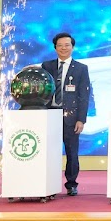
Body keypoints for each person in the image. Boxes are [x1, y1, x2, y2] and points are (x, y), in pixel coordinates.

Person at [42, 32, 91, 196]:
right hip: (50, 115)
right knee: (49, 151)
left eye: (67, 45)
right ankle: (49, 184)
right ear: (55, 47)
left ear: (72, 47)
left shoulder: (81, 69)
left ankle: (71, 184)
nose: (63, 48)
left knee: (72, 152)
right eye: (60, 45)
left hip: (71, 118)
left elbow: (84, 96)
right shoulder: (47, 66)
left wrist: (81, 119)